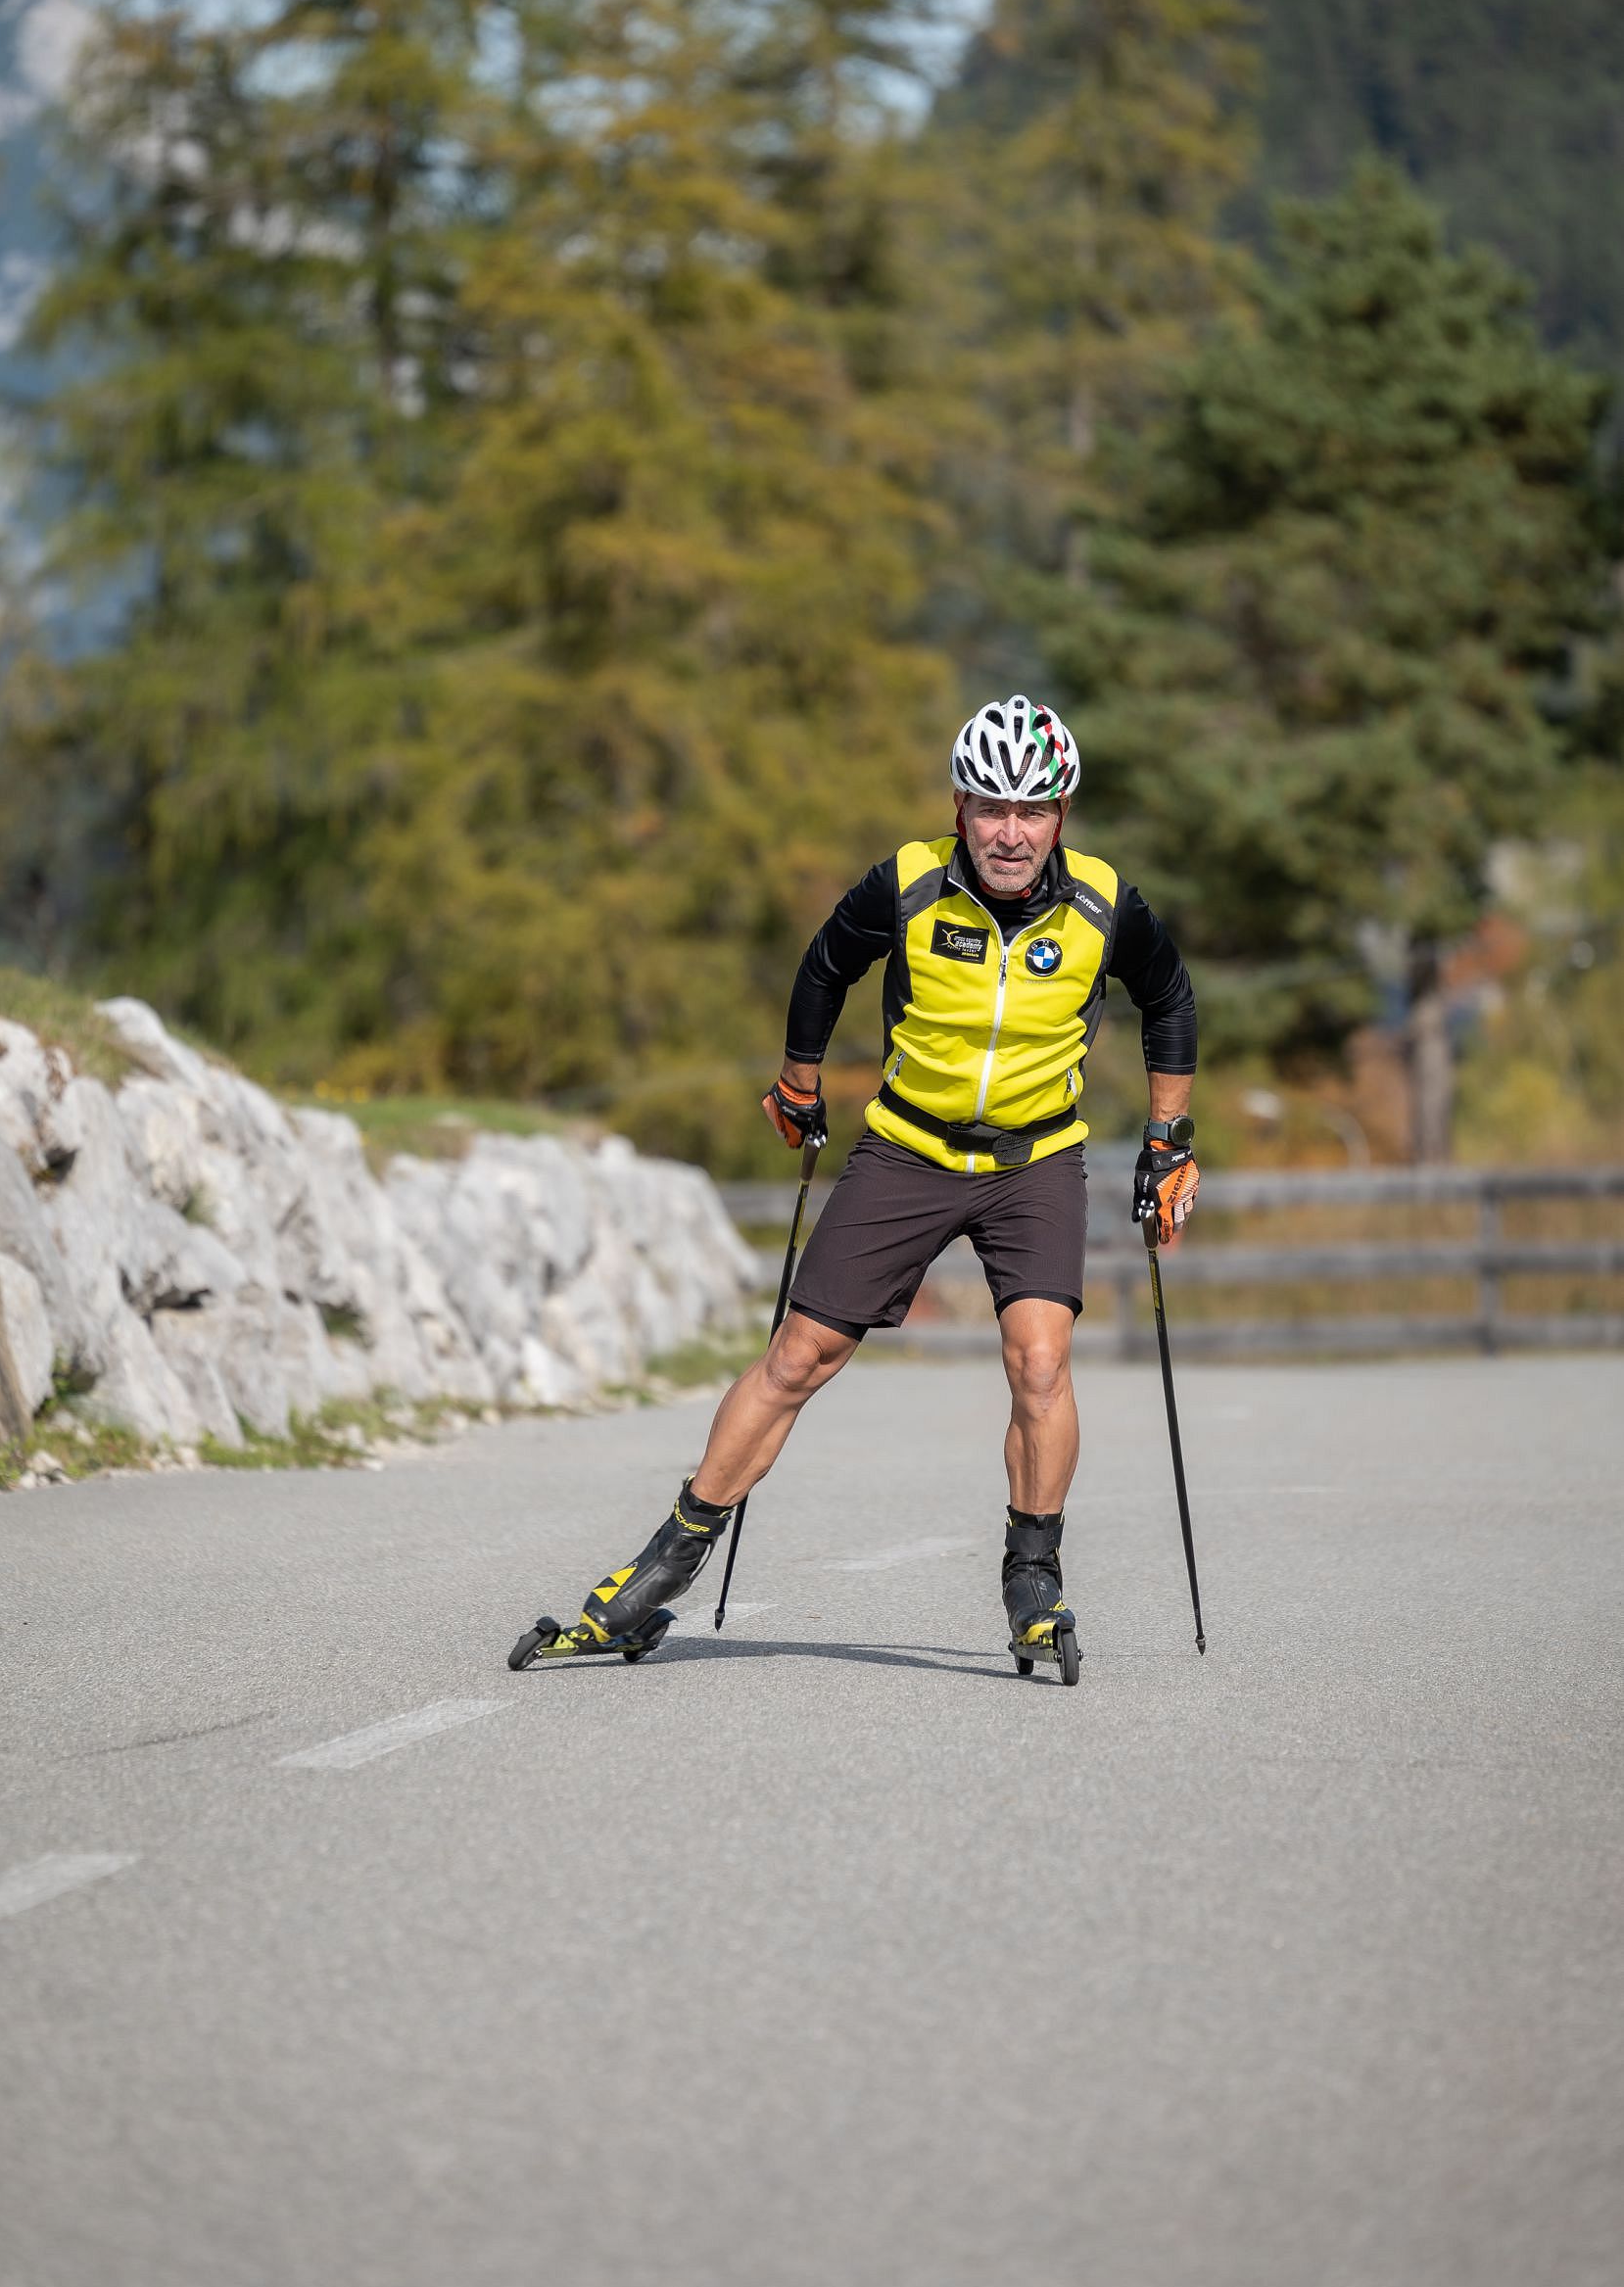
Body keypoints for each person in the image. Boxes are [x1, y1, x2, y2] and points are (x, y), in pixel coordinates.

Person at [509, 694, 1199, 1675]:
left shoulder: (1104, 902)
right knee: (798, 1356)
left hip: (1034, 1159)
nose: (1012, 831)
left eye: (1033, 809)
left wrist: (1169, 1139)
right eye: (991, 806)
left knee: (1039, 1359)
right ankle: (656, 1574)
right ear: (959, 804)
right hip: (906, 1150)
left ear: (1063, 813)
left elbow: (1169, 996)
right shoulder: (908, 884)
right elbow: (826, 964)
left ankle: (1033, 1579)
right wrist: (799, 1080)